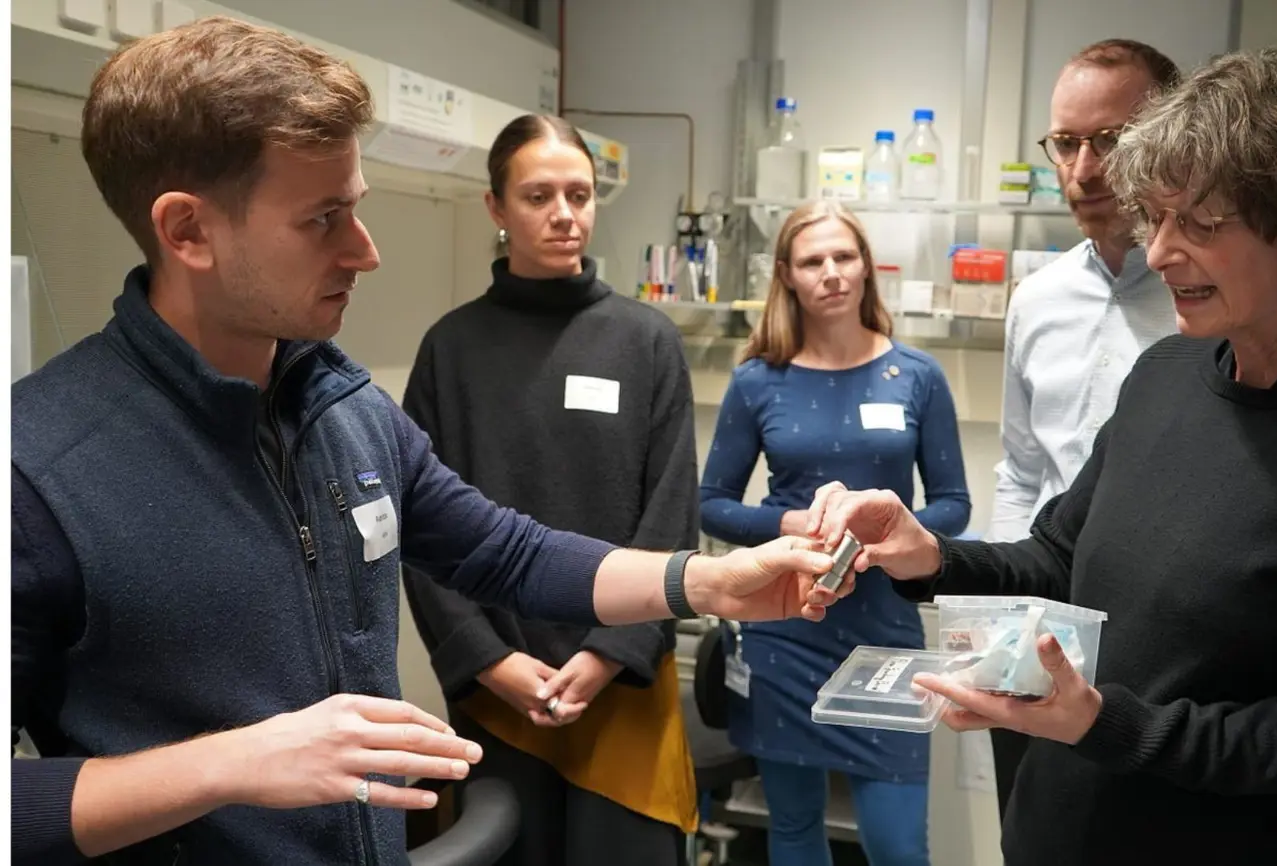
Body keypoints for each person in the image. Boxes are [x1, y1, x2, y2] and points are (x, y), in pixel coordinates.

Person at [10, 18, 846, 866]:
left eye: (357, 208)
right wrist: (230, 764)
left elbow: (508, 554)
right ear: (187, 230)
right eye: (324, 218)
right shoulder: (39, 471)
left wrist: (711, 581)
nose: (364, 252)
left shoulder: (344, 408)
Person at [800, 47, 1277, 866]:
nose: (1158, 254)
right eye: (1156, 219)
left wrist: (1110, 725)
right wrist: (928, 555)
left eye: (1202, 224)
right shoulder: (1169, 375)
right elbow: (1059, 556)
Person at [400, 113, 699, 866]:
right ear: (497, 209)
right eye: (538, 196)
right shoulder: (451, 349)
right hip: (502, 695)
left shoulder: (647, 341)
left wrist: (608, 653)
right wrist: (489, 662)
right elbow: (417, 527)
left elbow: (671, 514)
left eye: (580, 194)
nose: (565, 214)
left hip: (624, 685)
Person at [699, 200, 971, 866]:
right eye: (813, 260)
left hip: (886, 632)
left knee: (898, 844)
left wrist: (889, 537)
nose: (831, 273)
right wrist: (789, 522)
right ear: (788, 276)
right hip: (786, 629)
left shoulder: (916, 376)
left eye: (843, 256)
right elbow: (711, 504)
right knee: (792, 828)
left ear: (866, 268)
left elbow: (954, 505)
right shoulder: (758, 380)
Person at [983, 37, 1181, 815]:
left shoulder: (1204, 298)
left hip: (1160, 635)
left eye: (1112, 140)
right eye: (1066, 143)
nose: (1085, 170)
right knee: (1030, 830)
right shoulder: (1036, 299)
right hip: (1043, 625)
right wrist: (1003, 617)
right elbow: (1021, 469)